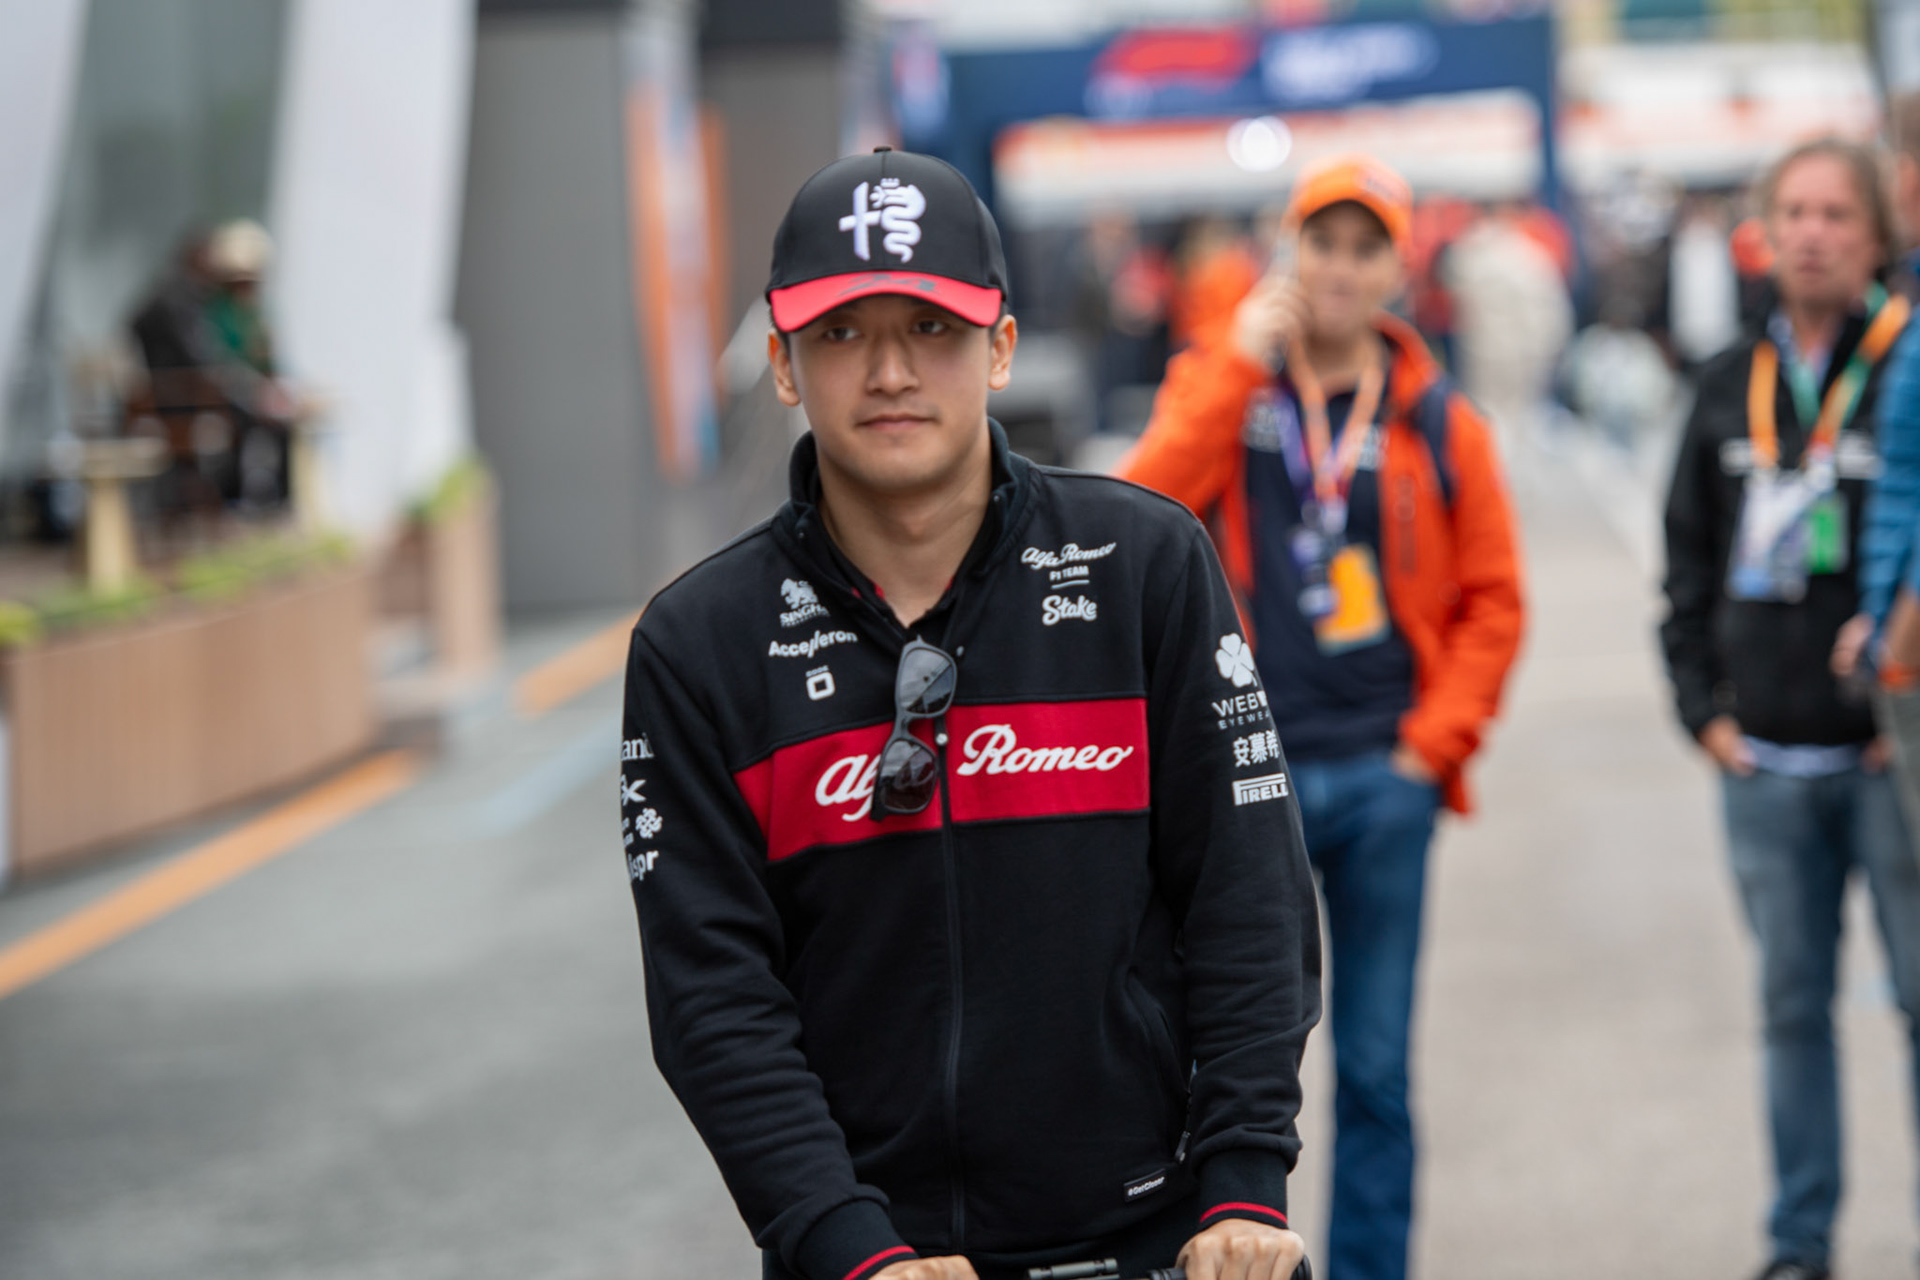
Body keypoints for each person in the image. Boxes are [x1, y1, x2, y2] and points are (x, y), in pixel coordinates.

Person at [620, 147, 1320, 1280]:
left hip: (1150, 1239)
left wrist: (1244, 1174)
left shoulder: (1146, 566)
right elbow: (715, 1000)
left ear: (998, 346)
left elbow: (1248, 896)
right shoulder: (697, 645)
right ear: (782, 363)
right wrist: (853, 1246)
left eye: (932, 329)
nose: (890, 370)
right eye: (843, 332)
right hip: (867, 1259)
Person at [1120, 154, 1526, 1280]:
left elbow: (1496, 597)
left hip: (1388, 779)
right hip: (1256, 784)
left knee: (1379, 1068)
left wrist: (1427, 750)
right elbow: (1142, 514)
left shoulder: (1439, 418)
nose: (1341, 268)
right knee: (1231, 1053)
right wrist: (1234, 360)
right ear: (1289, 252)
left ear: (1398, 265)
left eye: (1365, 247)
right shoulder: (1230, 386)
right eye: (1322, 242)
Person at [1659, 137, 1920, 1280]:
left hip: (1889, 762)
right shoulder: (1725, 382)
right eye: (1795, 212)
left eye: (1837, 214)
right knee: (1789, 1010)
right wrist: (1701, 712)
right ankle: (1800, 1242)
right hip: (1763, 763)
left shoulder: (1906, 365)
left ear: (1877, 237)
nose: (1813, 232)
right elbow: (1686, 562)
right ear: (1766, 230)